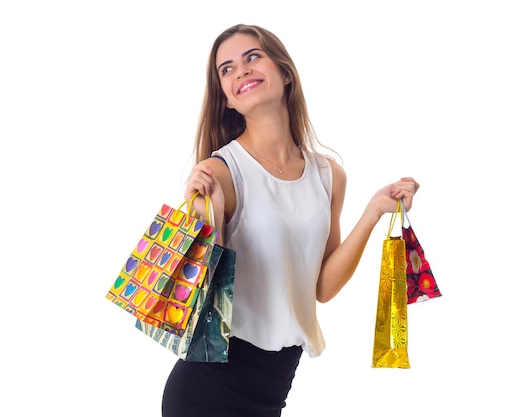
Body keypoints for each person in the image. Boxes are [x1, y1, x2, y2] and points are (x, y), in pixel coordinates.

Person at [162, 24, 420, 417]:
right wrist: (204, 214)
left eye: (252, 57)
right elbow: (201, 291)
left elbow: (322, 288)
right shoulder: (222, 172)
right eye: (226, 69)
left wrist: (373, 212)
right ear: (227, 99)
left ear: (285, 73)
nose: (241, 71)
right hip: (210, 385)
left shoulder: (328, 175)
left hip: (275, 386)